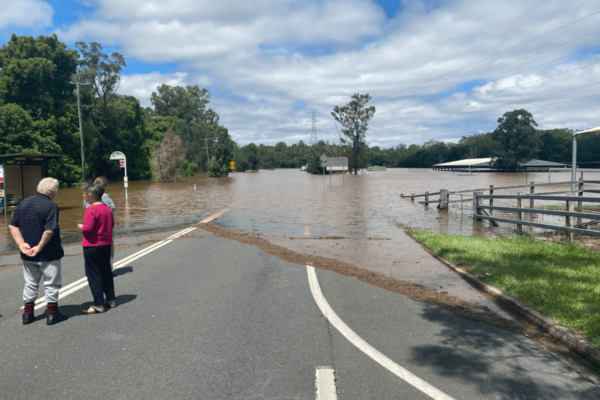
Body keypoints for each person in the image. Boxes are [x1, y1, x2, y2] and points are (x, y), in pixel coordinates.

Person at [9, 177, 68, 325]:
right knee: (52, 284)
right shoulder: (51, 206)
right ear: (54, 191)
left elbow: (12, 225)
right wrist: (39, 247)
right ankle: (52, 315)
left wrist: (21, 244)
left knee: (30, 283)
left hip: (27, 253)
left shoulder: (24, 202)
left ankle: (28, 315)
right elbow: (49, 231)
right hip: (49, 253)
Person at [78, 183, 115, 314]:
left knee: (94, 274)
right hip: (106, 244)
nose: (84, 196)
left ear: (91, 196)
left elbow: (87, 229)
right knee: (106, 271)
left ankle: (98, 304)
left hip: (92, 245)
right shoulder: (107, 208)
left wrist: (80, 226)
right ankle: (111, 299)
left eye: (85, 194)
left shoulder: (90, 210)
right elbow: (112, 225)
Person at [84, 177, 115, 271]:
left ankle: (97, 269)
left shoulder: (87, 198)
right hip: (104, 227)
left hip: (90, 226)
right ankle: (108, 268)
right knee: (108, 247)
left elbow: (85, 208)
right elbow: (111, 211)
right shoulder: (105, 198)